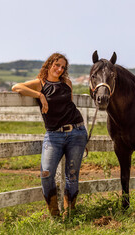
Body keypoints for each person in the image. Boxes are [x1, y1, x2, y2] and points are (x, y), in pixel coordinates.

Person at [12, 53, 88, 218]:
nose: (59, 69)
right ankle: (55, 215)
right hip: (54, 135)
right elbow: (16, 87)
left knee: (72, 175)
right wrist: (40, 95)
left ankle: (70, 215)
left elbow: (70, 104)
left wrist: (82, 137)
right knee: (46, 173)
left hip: (77, 131)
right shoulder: (39, 84)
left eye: (62, 67)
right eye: (56, 65)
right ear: (49, 64)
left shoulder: (67, 83)